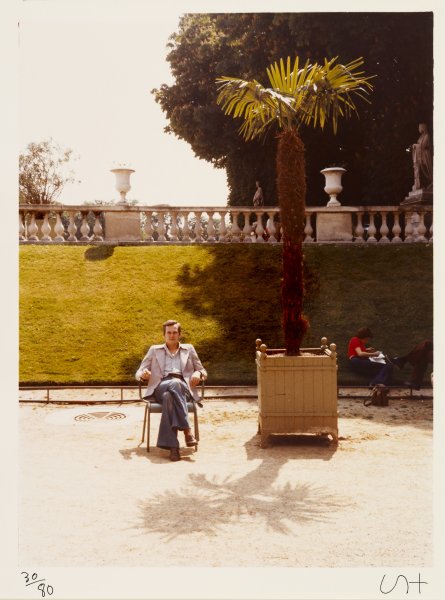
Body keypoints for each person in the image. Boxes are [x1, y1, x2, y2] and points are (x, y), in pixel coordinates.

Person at [135, 320, 207, 461]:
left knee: (170, 395)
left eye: (175, 332)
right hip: (160, 387)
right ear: (164, 334)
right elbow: (138, 372)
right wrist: (143, 374)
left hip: (183, 388)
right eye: (169, 332)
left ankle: (173, 448)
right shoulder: (154, 350)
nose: (172, 335)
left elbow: (202, 370)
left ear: (179, 334)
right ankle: (187, 431)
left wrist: (198, 374)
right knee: (171, 386)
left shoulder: (189, 349)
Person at [408, 123, 433, 191]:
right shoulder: (420, 137)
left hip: (425, 155)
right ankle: (418, 184)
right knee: (418, 169)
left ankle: (430, 183)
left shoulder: (427, 136)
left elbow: (423, 146)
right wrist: (414, 146)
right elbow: (419, 145)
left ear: (423, 128)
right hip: (419, 155)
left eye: (420, 127)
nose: (419, 129)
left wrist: (415, 145)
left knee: (426, 168)